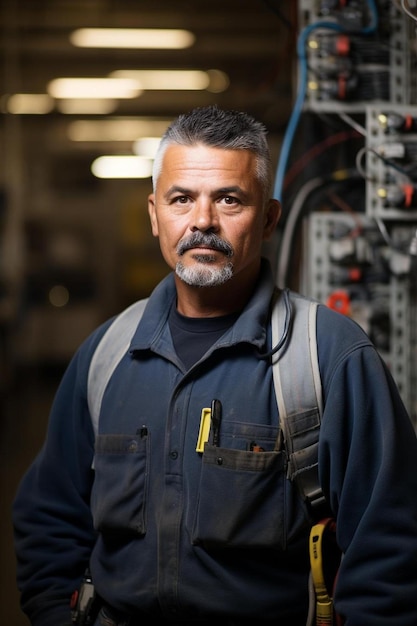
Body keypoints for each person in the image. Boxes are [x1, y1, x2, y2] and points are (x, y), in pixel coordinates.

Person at [12, 104, 417, 626]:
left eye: (229, 199)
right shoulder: (106, 354)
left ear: (269, 218)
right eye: (182, 199)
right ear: (155, 214)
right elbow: (49, 518)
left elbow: (391, 547)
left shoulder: (329, 358)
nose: (202, 221)